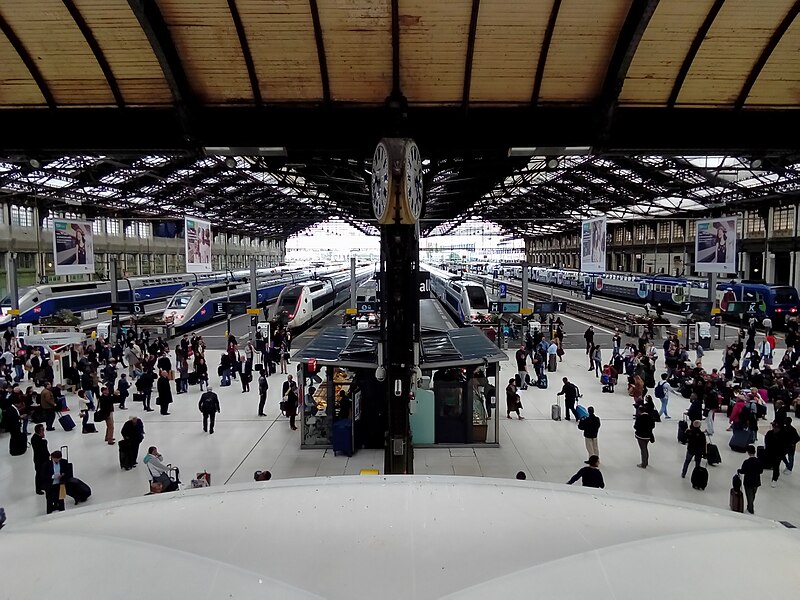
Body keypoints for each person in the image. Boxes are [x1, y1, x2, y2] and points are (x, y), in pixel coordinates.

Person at [44, 450, 73, 514]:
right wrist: (53, 476)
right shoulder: (47, 464)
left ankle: (62, 512)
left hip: (60, 484)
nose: (57, 460)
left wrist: (63, 475)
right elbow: (43, 475)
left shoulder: (64, 462)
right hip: (50, 485)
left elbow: (68, 472)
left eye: (59, 459)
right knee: (49, 500)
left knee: (61, 500)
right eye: (56, 459)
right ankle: (49, 512)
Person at [738, 445, 763, 514]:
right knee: (752, 495)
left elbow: (743, 471)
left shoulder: (746, 462)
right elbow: (761, 471)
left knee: (749, 496)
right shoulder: (759, 461)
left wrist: (739, 471)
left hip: (748, 481)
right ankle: (749, 507)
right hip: (756, 481)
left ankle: (750, 509)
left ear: (748, 452)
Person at [634, 404, 655, 469]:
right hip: (648, 436)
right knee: (645, 448)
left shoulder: (639, 418)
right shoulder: (650, 417)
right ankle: (646, 461)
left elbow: (635, 426)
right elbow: (653, 426)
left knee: (643, 450)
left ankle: (644, 464)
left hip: (640, 436)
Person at [31, 424, 49, 495]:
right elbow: (41, 448)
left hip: (43, 458)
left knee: (43, 473)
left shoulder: (38, 438)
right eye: (42, 430)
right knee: (39, 474)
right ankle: (38, 489)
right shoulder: (36, 439)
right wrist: (44, 441)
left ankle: (42, 486)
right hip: (39, 459)